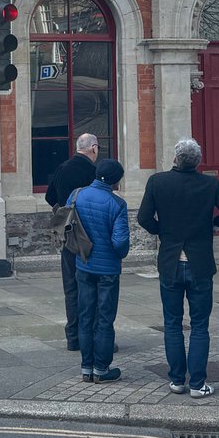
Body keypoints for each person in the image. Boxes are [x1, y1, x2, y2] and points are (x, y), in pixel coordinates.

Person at [137, 137, 219, 397]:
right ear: (198, 161)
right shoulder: (209, 184)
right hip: (200, 262)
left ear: (175, 158)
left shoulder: (157, 181)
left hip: (170, 260)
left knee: (172, 323)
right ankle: (197, 383)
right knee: (199, 325)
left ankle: (176, 380)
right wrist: (215, 224)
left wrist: (164, 231)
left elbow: (143, 218)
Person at [68, 158, 131, 383]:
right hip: (108, 270)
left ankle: (86, 367)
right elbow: (120, 243)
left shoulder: (76, 195)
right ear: (115, 181)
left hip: (83, 264)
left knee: (85, 315)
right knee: (104, 318)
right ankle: (102, 369)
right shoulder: (117, 204)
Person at [46, 133, 99, 350]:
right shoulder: (95, 172)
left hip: (68, 234)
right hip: (90, 237)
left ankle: (73, 337)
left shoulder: (63, 168)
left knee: (71, 286)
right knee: (92, 286)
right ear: (93, 149)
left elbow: (50, 197)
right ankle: (92, 336)